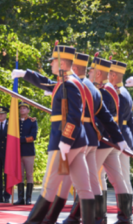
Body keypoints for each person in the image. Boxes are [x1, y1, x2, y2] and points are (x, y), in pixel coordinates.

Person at [12, 45, 95, 224]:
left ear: (63, 63)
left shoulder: (69, 84)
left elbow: (73, 116)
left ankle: (32, 222)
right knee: (84, 188)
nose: (51, 65)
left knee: (49, 186)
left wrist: (65, 140)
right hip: (77, 142)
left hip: (64, 142)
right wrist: (24, 74)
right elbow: (47, 83)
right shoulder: (67, 82)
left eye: (53, 62)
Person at [42, 54, 128, 224]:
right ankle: (97, 218)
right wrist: (120, 139)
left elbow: (102, 117)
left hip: (93, 139)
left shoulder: (83, 86)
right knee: (96, 181)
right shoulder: (100, 89)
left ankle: (67, 217)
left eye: (92, 71)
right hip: (103, 139)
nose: (90, 74)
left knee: (78, 181)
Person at [109, 60, 133, 223]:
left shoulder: (119, 93)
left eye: (110, 73)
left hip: (119, 137)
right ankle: (126, 212)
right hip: (123, 136)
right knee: (121, 175)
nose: (107, 76)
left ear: (115, 75)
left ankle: (126, 213)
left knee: (122, 176)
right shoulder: (122, 91)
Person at [13, 102, 37, 206]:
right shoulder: (15, 122)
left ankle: (28, 199)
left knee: (29, 175)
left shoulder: (32, 121)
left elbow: (32, 137)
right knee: (20, 175)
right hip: (17, 152)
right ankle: (20, 198)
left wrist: (18, 140)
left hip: (28, 152)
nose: (22, 110)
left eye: (24, 108)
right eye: (21, 108)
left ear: (28, 110)